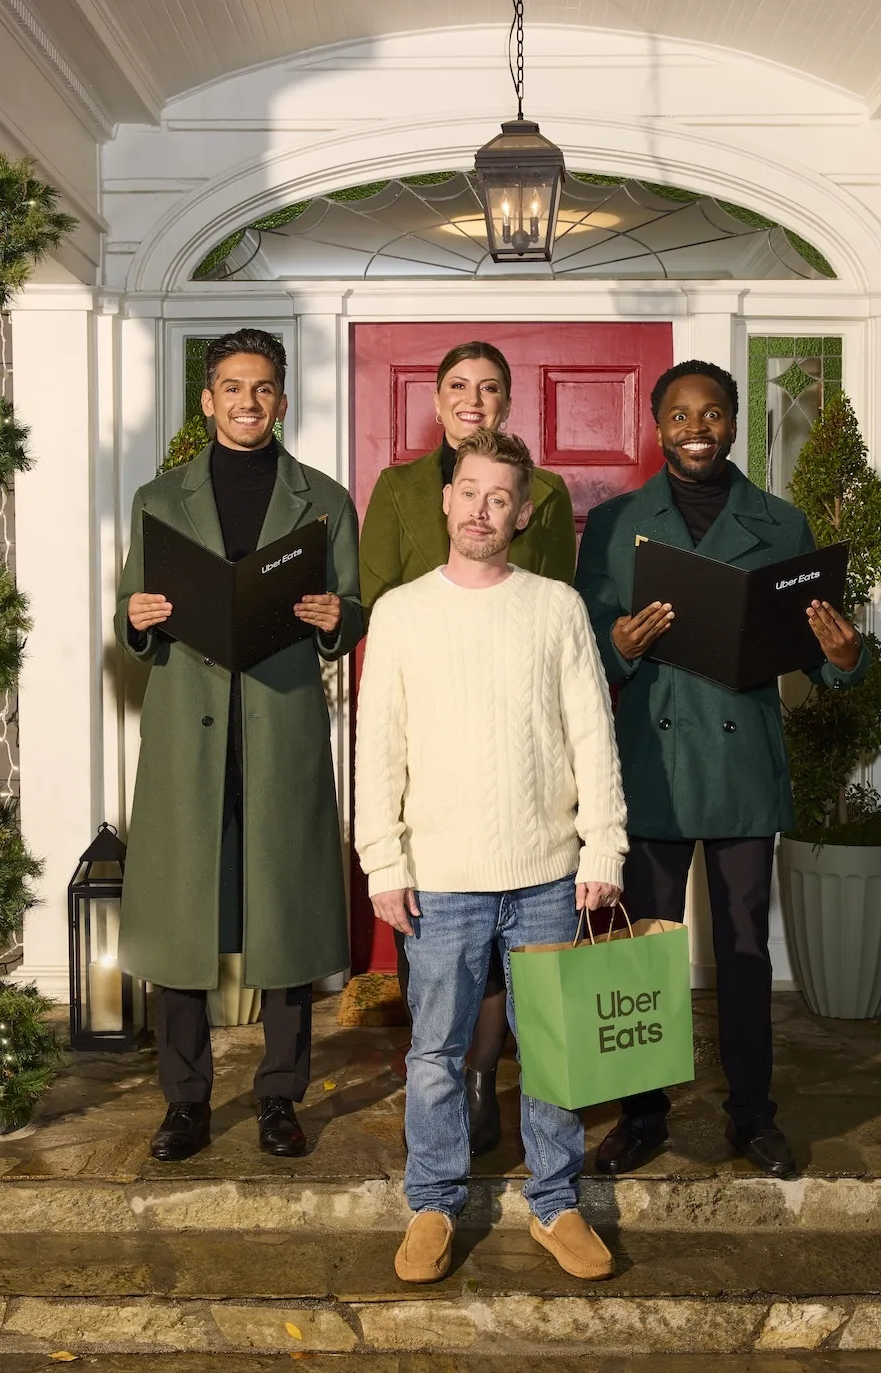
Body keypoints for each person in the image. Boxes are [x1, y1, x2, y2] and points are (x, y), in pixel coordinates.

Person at [574, 360, 867, 1182]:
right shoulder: (617, 522)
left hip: (741, 762)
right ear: (657, 426)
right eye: (678, 414)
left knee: (742, 950)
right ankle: (642, 1114)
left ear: (735, 424)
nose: (695, 427)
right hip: (651, 765)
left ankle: (752, 1114)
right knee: (645, 952)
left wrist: (845, 657)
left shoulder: (779, 522)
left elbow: (820, 640)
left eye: (711, 413)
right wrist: (618, 645)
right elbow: (582, 636)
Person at [355, 427, 626, 1285]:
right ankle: (433, 1202)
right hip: (439, 878)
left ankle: (556, 1202)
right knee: (435, 1052)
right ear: (446, 498)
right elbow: (379, 748)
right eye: (469, 491)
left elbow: (592, 733)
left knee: (549, 1051)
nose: (481, 510)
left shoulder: (555, 606)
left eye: (499, 497)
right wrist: (381, 861)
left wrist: (603, 846)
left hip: (547, 871)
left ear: (522, 511)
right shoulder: (400, 611)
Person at [115, 327, 366, 1164]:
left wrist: (338, 620)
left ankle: (280, 1096)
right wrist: (137, 618)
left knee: (283, 913)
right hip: (187, 736)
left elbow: (352, 607)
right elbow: (130, 612)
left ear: (282, 400)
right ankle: (185, 1101)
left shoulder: (326, 501)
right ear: (207, 398)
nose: (247, 402)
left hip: (282, 726)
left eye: (262, 388)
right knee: (184, 916)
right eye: (232, 386)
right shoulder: (157, 499)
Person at [357, 341, 576, 1158]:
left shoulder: (543, 496)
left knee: (531, 981)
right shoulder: (401, 489)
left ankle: (493, 1082)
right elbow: (377, 594)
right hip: (433, 734)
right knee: (448, 969)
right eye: (458, 385)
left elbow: (554, 614)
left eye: (490, 387)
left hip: (518, 762)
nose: (473, 398)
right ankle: (450, 1129)